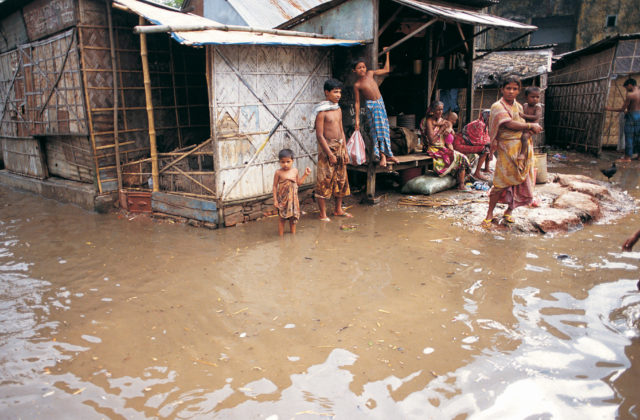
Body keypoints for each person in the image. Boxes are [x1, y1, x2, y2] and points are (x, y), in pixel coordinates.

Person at [482, 75, 542, 228]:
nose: (511, 91)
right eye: (508, 88)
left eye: (515, 89)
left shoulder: (519, 106)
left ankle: (509, 211)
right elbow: (508, 124)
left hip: (522, 146)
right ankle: (489, 213)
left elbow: (523, 122)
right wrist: (530, 126)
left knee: (520, 181)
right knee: (501, 182)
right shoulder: (497, 106)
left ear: (519, 91)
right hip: (506, 147)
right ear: (502, 89)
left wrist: (530, 130)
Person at [313, 78, 352, 222]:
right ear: (326, 92)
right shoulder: (322, 112)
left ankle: (338, 209)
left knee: (341, 179)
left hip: (340, 147)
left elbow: (341, 130)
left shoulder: (338, 109)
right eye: (335, 92)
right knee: (325, 181)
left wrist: (345, 151)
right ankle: (322, 214)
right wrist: (329, 154)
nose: (338, 95)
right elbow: (319, 135)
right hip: (327, 150)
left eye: (340, 92)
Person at [353, 51, 400, 167]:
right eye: (359, 68)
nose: (362, 69)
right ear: (354, 71)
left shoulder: (370, 74)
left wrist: (388, 54)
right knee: (377, 132)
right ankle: (382, 157)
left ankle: (389, 154)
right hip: (372, 107)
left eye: (363, 67)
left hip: (380, 103)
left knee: (385, 129)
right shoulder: (357, 85)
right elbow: (357, 103)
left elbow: (386, 70)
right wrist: (357, 120)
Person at [420, 101, 470, 190]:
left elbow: (448, 123)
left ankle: (460, 184)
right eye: (438, 110)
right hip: (433, 149)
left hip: (442, 148)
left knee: (462, 158)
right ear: (432, 110)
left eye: (442, 109)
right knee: (459, 158)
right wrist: (441, 130)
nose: (440, 112)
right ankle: (461, 185)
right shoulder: (428, 121)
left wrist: (449, 128)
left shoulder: (440, 120)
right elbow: (432, 141)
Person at [273, 149, 311, 236]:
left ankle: (293, 235)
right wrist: (275, 200)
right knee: (282, 218)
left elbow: (298, 183)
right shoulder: (278, 173)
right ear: (279, 162)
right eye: (282, 162)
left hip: (293, 200)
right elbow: (275, 186)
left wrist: (305, 174)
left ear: (292, 161)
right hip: (283, 200)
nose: (285, 164)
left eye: (288, 161)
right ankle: (281, 237)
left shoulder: (295, 171)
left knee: (292, 218)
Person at [605, 78, 640, 162]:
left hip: (632, 116)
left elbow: (622, 109)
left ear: (630, 85)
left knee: (629, 137)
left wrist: (609, 108)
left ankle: (627, 157)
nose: (626, 90)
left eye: (626, 88)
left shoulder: (631, 95)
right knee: (639, 137)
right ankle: (639, 157)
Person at [452, 109, 492, 180]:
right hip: (458, 144)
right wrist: (490, 143)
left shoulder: (485, 125)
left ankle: (486, 168)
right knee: (485, 149)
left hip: (465, 143)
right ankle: (477, 173)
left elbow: (486, 139)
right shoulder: (479, 124)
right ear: (487, 117)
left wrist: (491, 143)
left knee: (489, 147)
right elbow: (477, 141)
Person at [519, 86, 543, 169]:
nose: (535, 99)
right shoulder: (525, 105)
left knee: (525, 136)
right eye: (532, 97)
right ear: (526, 97)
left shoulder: (538, 107)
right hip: (525, 126)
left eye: (537, 97)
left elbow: (536, 117)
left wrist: (523, 115)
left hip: (533, 127)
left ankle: (522, 153)